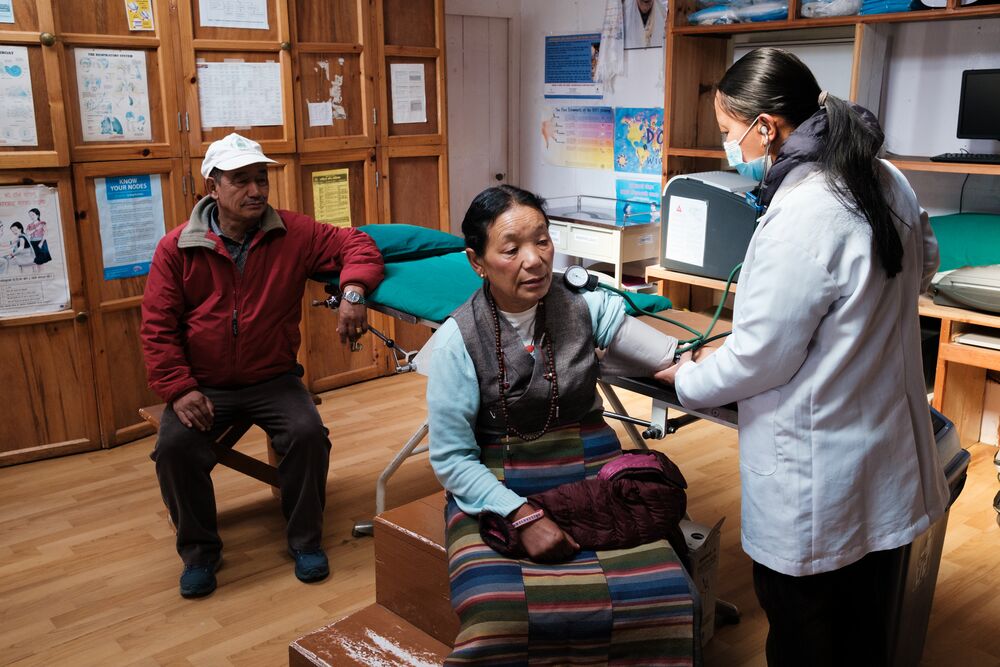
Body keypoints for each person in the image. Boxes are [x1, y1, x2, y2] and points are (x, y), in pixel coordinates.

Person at [658, 48, 950, 666]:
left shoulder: (802, 214)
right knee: (866, 622)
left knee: (804, 632)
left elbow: (762, 358)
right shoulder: (885, 175)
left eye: (728, 133)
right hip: (883, 458)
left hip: (818, 476)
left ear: (766, 127)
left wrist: (690, 379)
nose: (728, 148)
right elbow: (925, 263)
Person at [427, 185, 696, 665]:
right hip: (498, 481)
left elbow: (666, 359)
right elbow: (451, 458)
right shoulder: (456, 342)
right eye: (511, 249)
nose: (535, 260)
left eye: (543, 241)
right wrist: (521, 515)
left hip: (590, 465)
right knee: (499, 616)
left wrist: (692, 367)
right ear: (477, 262)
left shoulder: (585, 306)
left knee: (670, 593)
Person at [141, 133, 384, 598]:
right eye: (241, 180)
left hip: (272, 378)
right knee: (174, 450)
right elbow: (157, 326)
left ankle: (305, 541)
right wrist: (179, 389)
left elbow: (360, 244)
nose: (256, 190)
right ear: (212, 187)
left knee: (308, 435)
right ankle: (199, 553)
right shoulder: (176, 248)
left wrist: (353, 293)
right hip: (203, 385)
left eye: (261, 178)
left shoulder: (295, 232)